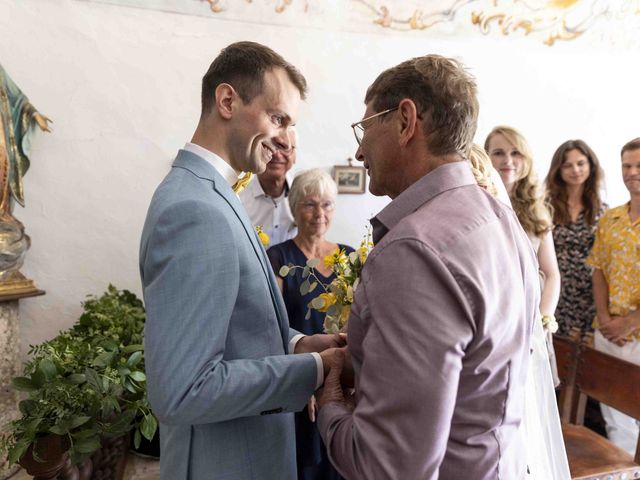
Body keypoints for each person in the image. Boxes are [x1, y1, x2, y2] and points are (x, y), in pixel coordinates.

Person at [316, 54, 540, 479]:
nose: (359, 150)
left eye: (365, 128)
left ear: (405, 121)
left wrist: (330, 401)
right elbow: (473, 367)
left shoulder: (413, 250)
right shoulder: (498, 218)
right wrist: (362, 353)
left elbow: (388, 466)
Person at [139, 42, 343, 480]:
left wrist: (296, 344)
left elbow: (235, 327)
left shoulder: (213, 195)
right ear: (227, 100)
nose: (288, 140)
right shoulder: (194, 210)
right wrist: (312, 370)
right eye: (278, 118)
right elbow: (183, 390)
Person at [267, 168, 351, 480]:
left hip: (344, 381)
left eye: (327, 204)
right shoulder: (278, 258)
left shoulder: (348, 257)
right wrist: (306, 381)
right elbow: (270, 327)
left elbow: (359, 324)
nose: (319, 213)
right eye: (309, 204)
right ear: (294, 208)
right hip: (298, 379)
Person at [586, 137, 640, 455]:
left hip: (637, 334)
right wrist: (606, 320)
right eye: (627, 166)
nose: (632, 172)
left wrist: (630, 323)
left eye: (639, 166)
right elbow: (598, 270)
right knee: (616, 424)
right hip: (608, 335)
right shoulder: (610, 219)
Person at [485, 126, 561, 331]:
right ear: (486, 158)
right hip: (491, 316)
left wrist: (543, 320)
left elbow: (551, 273)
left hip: (532, 318)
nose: (507, 160)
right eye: (498, 153)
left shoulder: (538, 211)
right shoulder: (475, 203)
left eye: (515, 153)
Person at [545, 140, 606, 336]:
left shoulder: (602, 211)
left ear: (591, 165)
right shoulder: (545, 207)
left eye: (581, 163)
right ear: (558, 169)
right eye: (567, 165)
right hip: (554, 294)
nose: (575, 169)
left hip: (589, 297)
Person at [239, 129, 297, 245]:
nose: (276, 153)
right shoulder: (238, 199)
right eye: (266, 146)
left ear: (295, 155)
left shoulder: (305, 198)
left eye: (283, 146)